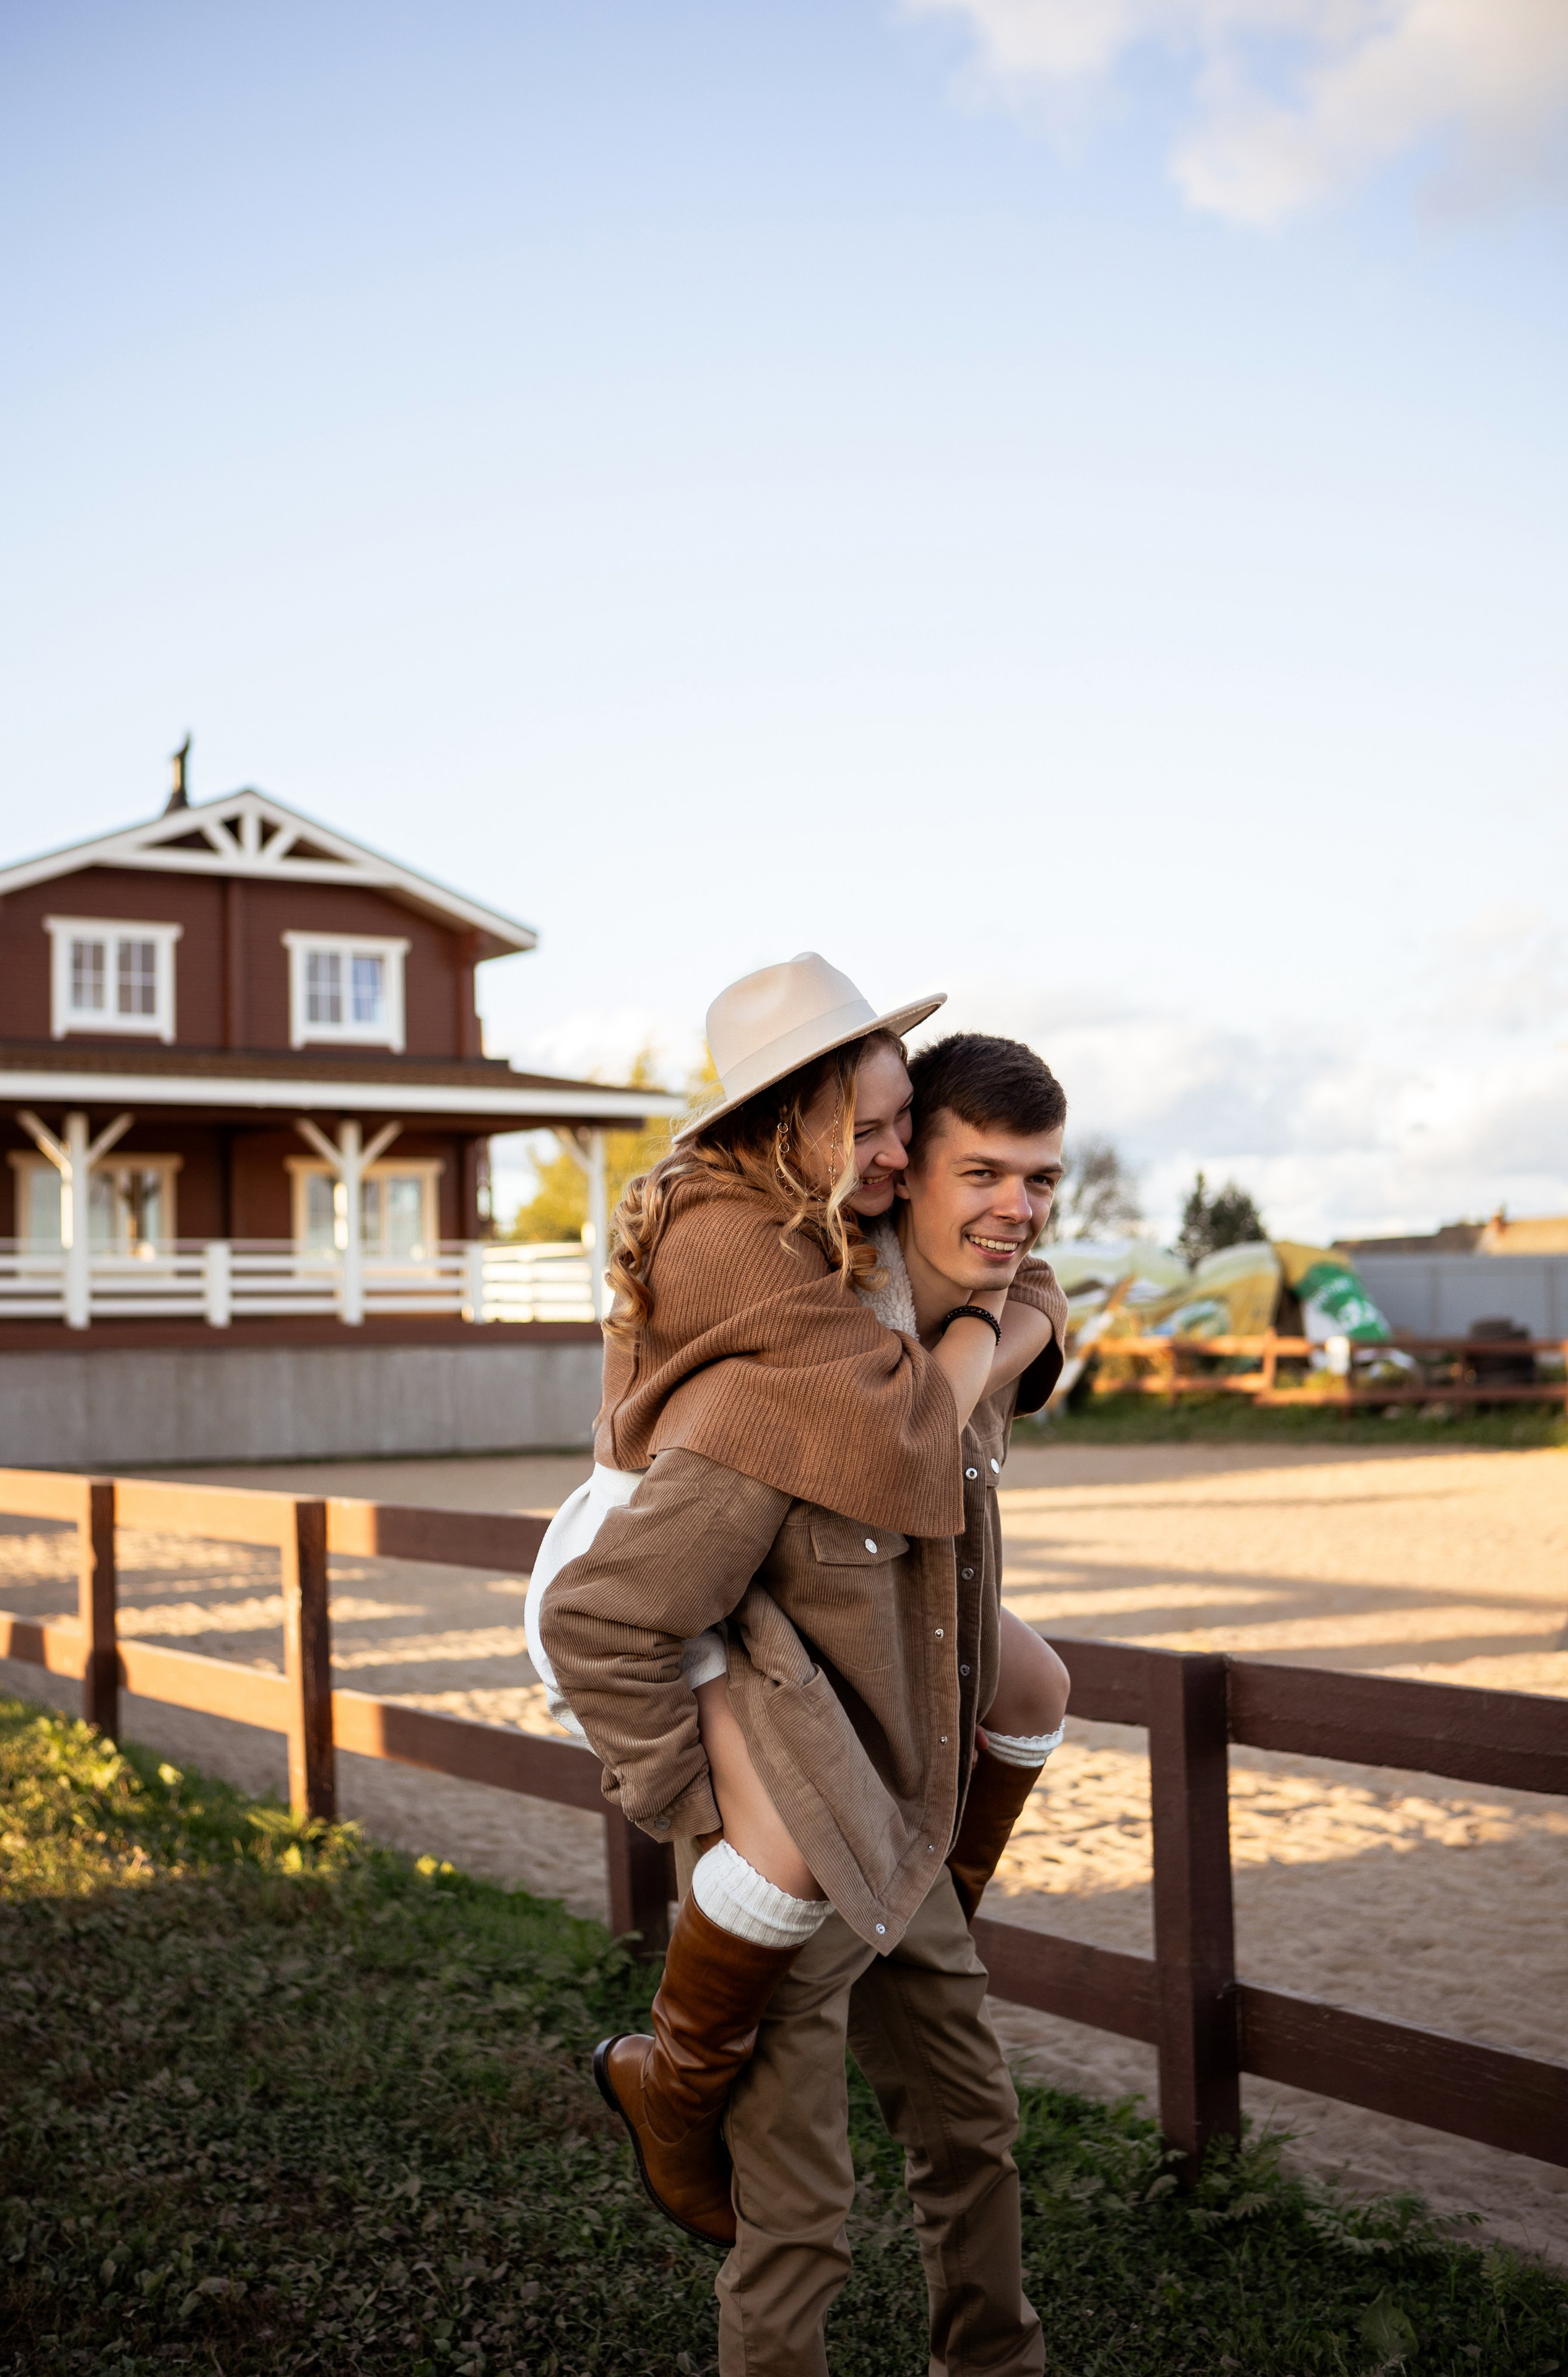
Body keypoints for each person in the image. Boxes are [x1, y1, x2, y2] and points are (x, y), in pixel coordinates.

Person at [537, 959, 1070, 2374]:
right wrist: (706, 1816)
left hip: (899, 1816)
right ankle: (672, 2081)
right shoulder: (768, 1387)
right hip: (787, 1817)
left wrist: (1005, 1317)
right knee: (796, 2217)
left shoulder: (922, 1315)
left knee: (972, 2128)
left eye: (1036, 1181)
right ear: (821, 1142)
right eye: (961, 1168)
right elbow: (602, 1622)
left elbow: (1020, 1284)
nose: (1012, 1208)